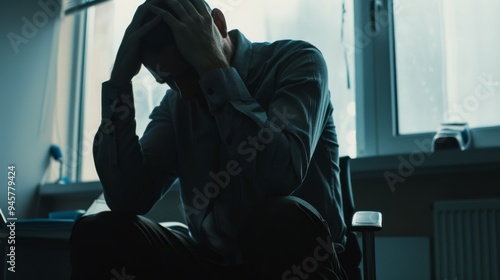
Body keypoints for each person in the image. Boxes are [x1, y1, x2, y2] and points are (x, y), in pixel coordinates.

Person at [69, 0, 352, 279]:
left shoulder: (297, 62)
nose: (186, 93)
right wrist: (119, 83)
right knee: (97, 231)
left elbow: (278, 178)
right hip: (213, 263)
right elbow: (127, 199)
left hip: (299, 258)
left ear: (218, 25)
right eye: (169, 82)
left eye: (189, 72)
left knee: (279, 216)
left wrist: (212, 71)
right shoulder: (177, 102)